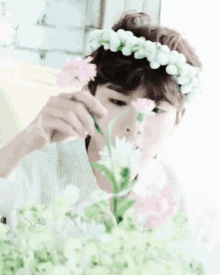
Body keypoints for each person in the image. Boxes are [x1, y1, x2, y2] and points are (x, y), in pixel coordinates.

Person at [0, 11, 203, 232]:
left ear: (178, 119)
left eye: (156, 110)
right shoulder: (34, 170)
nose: (135, 125)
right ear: (88, 95)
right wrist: (24, 142)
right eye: (118, 101)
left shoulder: (180, 201)